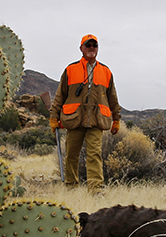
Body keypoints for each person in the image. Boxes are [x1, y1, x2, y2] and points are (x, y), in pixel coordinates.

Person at [49, 34, 121, 191]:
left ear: (97, 48)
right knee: (71, 156)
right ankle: (71, 187)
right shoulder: (70, 70)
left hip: (96, 121)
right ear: (81, 48)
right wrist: (54, 117)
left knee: (94, 155)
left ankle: (96, 190)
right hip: (74, 119)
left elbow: (112, 98)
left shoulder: (106, 72)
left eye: (94, 45)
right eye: (88, 45)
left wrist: (116, 119)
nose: (91, 48)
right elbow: (59, 96)